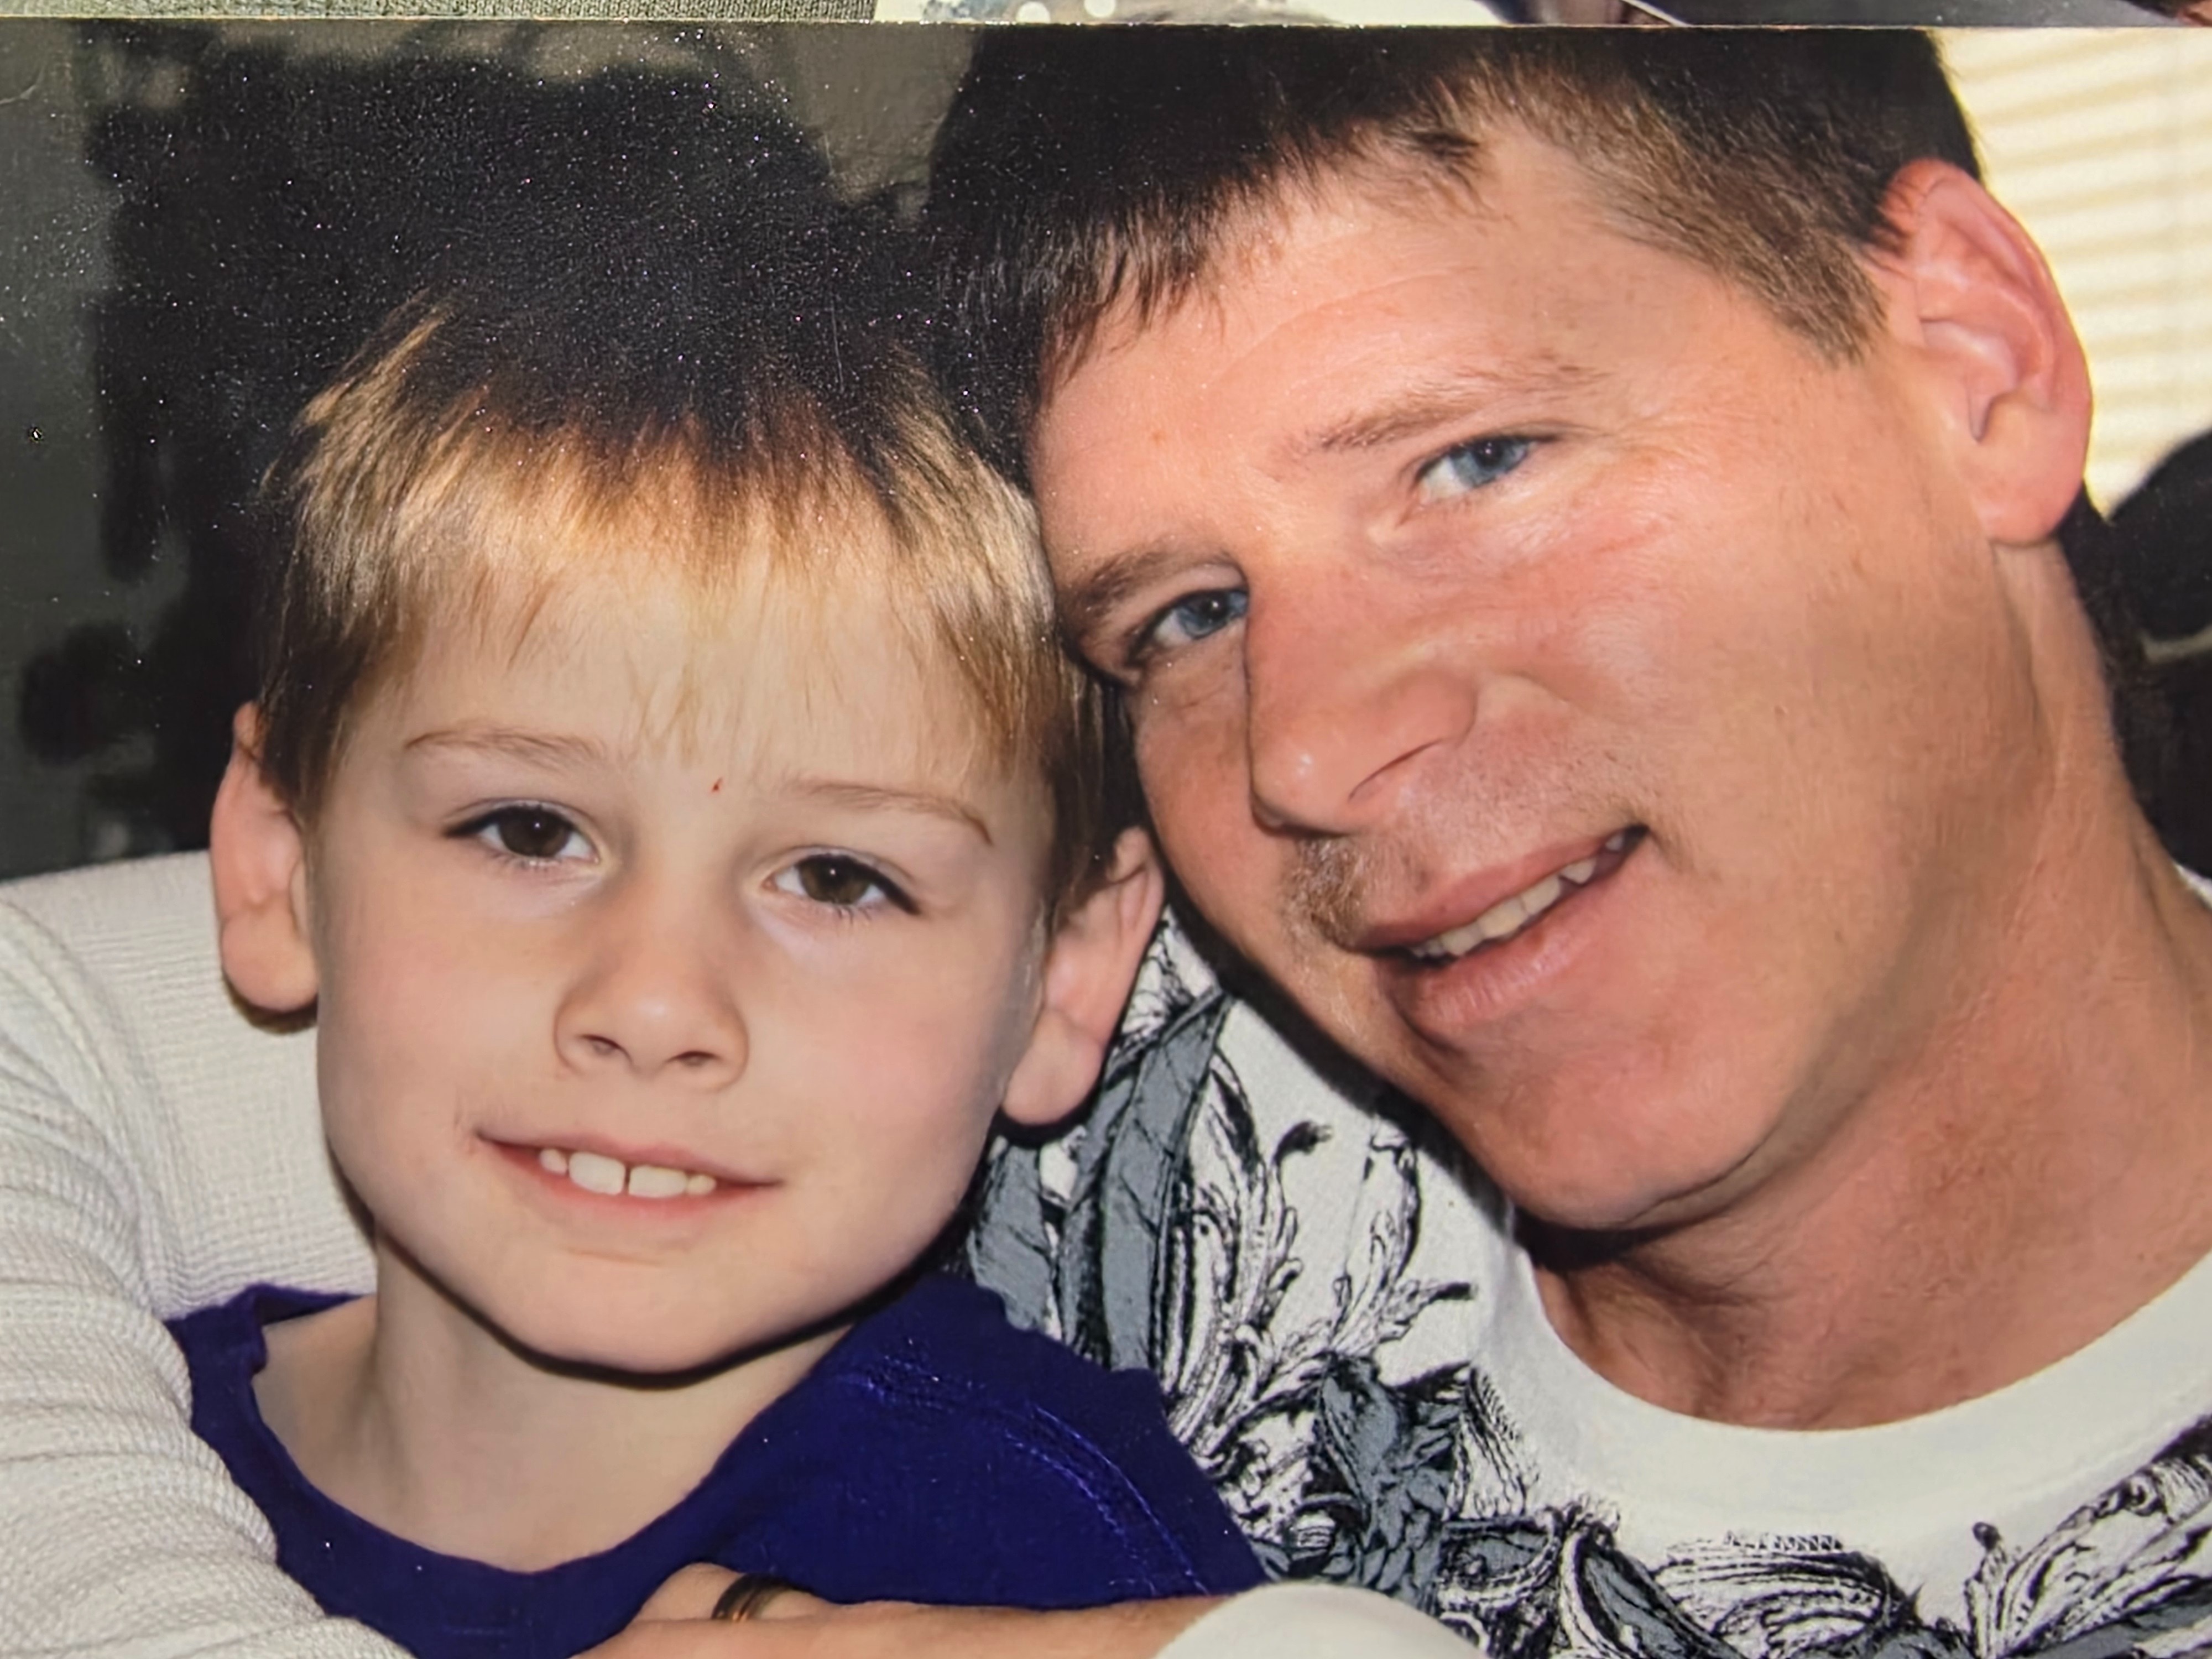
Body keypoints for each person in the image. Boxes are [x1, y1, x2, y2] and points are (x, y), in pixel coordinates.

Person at [6, 25, 2212, 1659]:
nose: (1308, 752)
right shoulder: (1166, 1026)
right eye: (1182, 617)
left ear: (1975, 362)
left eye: (1473, 464)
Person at [2, 96, 1270, 1659]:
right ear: (276, 864)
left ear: (1067, 974)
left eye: (838, 876)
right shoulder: (107, 1440)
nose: (657, 1004)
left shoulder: (1048, 1569)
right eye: (531, 831)